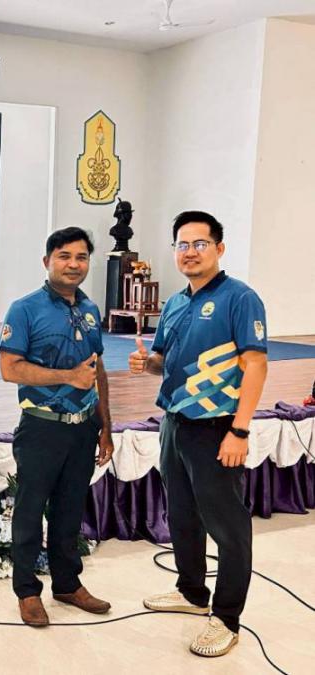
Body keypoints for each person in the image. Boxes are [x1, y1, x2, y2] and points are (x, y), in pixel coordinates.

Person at [129, 211, 268, 658]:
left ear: (219, 248)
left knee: (228, 527)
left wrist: (239, 430)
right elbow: (162, 362)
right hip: (174, 424)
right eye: (182, 245)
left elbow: (256, 366)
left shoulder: (240, 299)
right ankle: (191, 592)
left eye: (200, 244)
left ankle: (226, 618)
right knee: (182, 515)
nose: (190, 252)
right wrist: (146, 364)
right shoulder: (174, 303)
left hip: (217, 429)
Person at [0, 226, 114, 628]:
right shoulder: (24, 309)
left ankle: (67, 584)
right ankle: (27, 591)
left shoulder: (91, 310)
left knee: (69, 510)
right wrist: (68, 377)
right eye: (64, 256)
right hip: (41, 428)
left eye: (81, 257)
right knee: (30, 512)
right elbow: (9, 369)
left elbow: (97, 371)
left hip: (83, 428)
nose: (73, 264)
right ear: (47, 261)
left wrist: (106, 427)